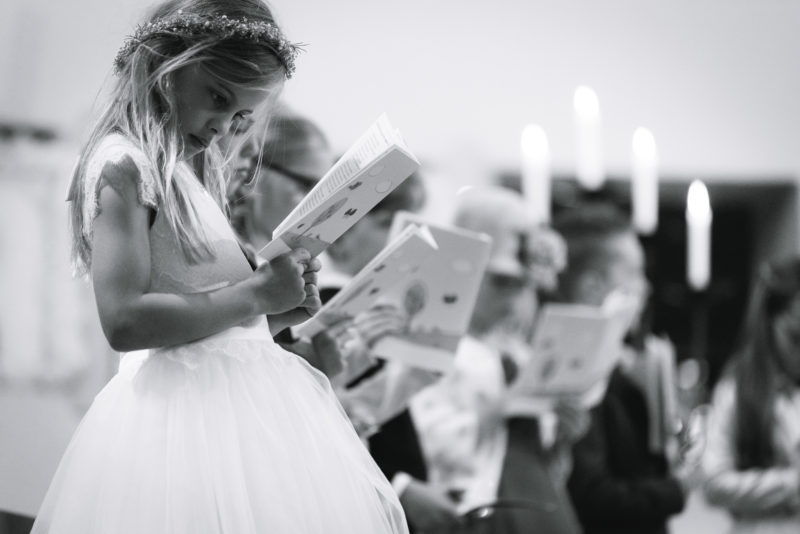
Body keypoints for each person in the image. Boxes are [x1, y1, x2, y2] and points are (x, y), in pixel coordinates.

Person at [32, 1, 407, 532]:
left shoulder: (189, 175)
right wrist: (255, 295)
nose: (222, 127)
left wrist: (276, 311)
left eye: (240, 118)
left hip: (235, 422)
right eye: (217, 98)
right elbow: (125, 320)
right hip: (180, 428)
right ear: (167, 63)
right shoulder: (123, 164)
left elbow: (208, 326)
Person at [411, 185, 586, 533]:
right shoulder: (428, 343)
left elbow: (541, 465)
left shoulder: (518, 353)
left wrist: (563, 434)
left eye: (523, 285)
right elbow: (418, 445)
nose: (512, 298)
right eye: (501, 283)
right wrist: (497, 410)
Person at [320, 171, 453, 532]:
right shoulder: (333, 305)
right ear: (342, 234)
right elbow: (335, 416)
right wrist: (400, 485)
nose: (401, 238)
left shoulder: (378, 304)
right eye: (387, 224)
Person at [560, 204, 688, 534]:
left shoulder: (618, 365)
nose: (646, 287)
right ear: (592, 285)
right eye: (634, 272)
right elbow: (592, 495)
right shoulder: (574, 369)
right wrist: (677, 489)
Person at [702, 256, 800, 533]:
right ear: (767, 324)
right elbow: (714, 482)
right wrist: (792, 483)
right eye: (796, 338)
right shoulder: (739, 389)